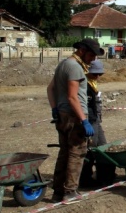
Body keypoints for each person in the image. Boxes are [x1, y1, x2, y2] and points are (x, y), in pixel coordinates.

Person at [47, 38, 103, 202]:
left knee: (64, 152)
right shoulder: (75, 68)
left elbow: (50, 88)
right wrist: (84, 120)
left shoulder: (63, 65)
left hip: (63, 114)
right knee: (77, 152)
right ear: (82, 51)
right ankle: (70, 191)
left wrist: (54, 108)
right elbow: (73, 97)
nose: (93, 59)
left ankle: (58, 191)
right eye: (92, 55)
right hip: (74, 116)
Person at [79, 59, 109, 188]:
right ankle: (86, 179)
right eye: (95, 74)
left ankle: (104, 176)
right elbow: (85, 106)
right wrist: (86, 123)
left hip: (96, 120)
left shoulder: (92, 84)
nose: (97, 76)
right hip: (90, 121)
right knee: (91, 150)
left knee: (103, 148)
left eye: (100, 74)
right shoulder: (84, 85)